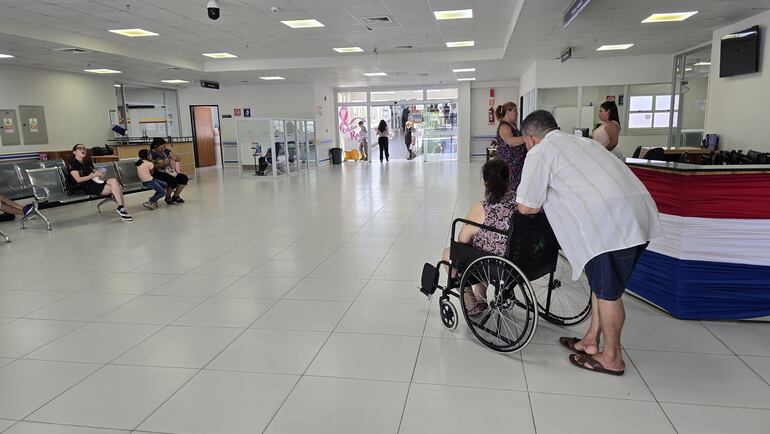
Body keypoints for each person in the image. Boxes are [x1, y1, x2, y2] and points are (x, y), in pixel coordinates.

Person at [515, 110, 663, 376]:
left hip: (608, 226)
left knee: (608, 293)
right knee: (601, 284)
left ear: (532, 138)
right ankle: (591, 341)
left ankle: (612, 357)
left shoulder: (541, 151)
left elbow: (526, 207)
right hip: (639, 214)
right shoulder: (583, 141)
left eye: (526, 142)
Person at [440, 159, 516, 316]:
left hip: (496, 264)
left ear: (485, 183)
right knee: (483, 246)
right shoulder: (523, 203)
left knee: (450, 254)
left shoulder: (483, 208)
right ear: (509, 178)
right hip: (520, 259)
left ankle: (471, 302)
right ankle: (481, 293)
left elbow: (462, 239)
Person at [67, 144, 133, 221]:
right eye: (80, 148)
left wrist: (100, 174)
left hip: (95, 183)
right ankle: (122, 209)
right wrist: (94, 175)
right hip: (85, 186)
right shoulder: (73, 164)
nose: (83, 150)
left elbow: (97, 175)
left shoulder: (88, 163)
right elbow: (78, 180)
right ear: (74, 152)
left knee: (114, 181)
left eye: (84, 148)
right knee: (119, 187)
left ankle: (121, 207)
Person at [494, 102, 527, 191]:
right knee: (510, 186)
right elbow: (511, 141)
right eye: (515, 111)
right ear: (508, 112)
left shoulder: (512, 125)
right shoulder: (504, 126)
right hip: (510, 163)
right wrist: (528, 138)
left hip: (517, 163)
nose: (517, 113)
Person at [150, 137, 188, 204]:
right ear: (155, 146)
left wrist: (176, 157)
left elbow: (177, 158)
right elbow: (153, 167)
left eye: (164, 147)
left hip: (169, 172)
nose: (163, 149)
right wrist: (163, 164)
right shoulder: (151, 154)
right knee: (171, 180)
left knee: (183, 178)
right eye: (161, 148)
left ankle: (175, 196)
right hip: (157, 173)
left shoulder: (166, 151)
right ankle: (168, 197)